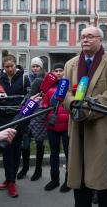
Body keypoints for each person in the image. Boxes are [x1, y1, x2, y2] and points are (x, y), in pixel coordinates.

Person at [62, 26, 107, 207]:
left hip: (102, 132)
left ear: (100, 40)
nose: (85, 40)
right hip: (77, 130)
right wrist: (72, 103)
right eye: (82, 37)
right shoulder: (71, 64)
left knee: (106, 184)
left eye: (90, 36)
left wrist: (83, 110)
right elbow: (63, 93)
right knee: (80, 184)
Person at [0, 50, 30, 198]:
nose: (9, 69)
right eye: (7, 66)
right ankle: (10, 180)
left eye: (11, 66)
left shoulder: (24, 79)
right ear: (3, 67)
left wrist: (17, 108)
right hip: (2, 119)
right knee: (6, 150)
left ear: (16, 65)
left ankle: (11, 180)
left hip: (18, 119)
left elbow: (28, 99)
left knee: (15, 151)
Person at [17, 57, 47, 181]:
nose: (35, 68)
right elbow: (25, 94)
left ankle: (38, 169)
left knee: (39, 142)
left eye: (37, 66)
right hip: (27, 112)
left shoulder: (45, 79)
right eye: (33, 66)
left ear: (41, 67)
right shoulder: (27, 78)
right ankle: (25, 168)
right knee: (25, 142)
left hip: (39, 113)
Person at [42, 63, 71, 192]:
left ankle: (68, 180)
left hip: (66, 126)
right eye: (56, 70)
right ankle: (54, 179)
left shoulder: (69, 89)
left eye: (61, 70)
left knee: (68, 154)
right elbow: (45, 106)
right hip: (52, 126)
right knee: (53, 153)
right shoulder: (48, 90)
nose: (59, 73)